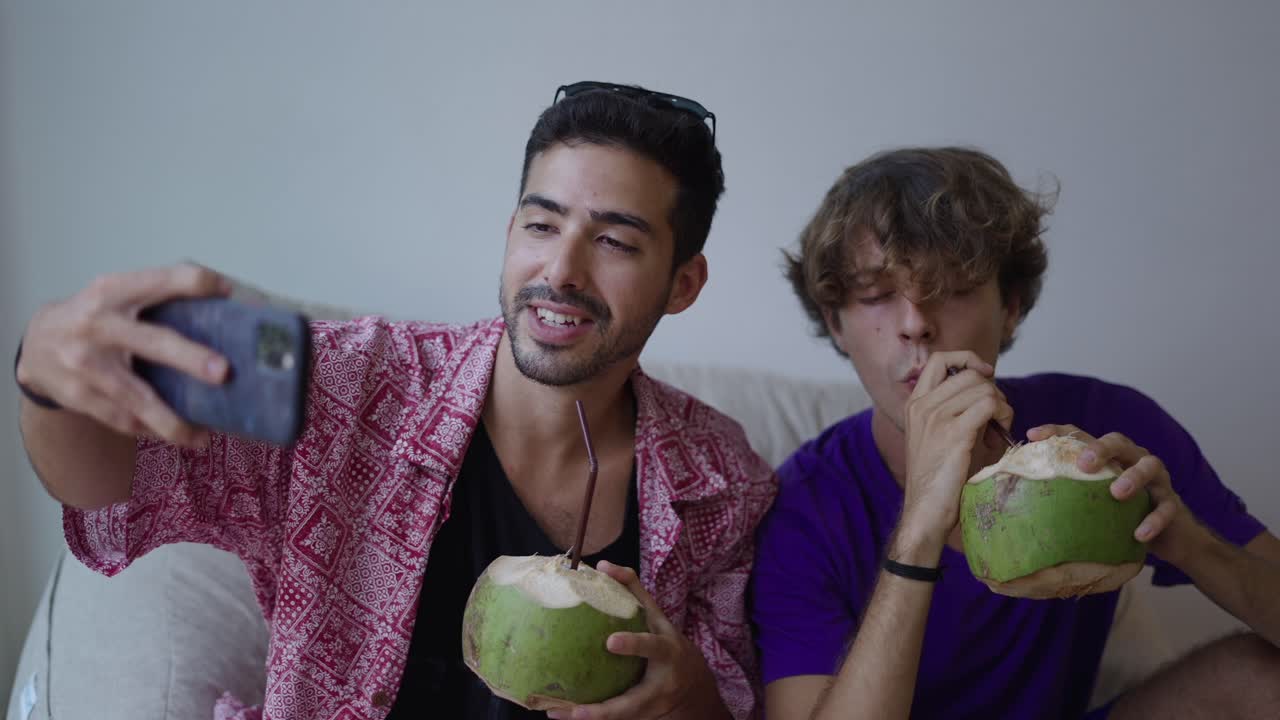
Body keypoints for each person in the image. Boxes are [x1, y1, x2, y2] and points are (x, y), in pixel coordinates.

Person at [15, 81, 776, 720]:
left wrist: (692, 700)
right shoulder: (349, 387)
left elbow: (729, 702)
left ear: (683, 283)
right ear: (511, 231)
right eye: (542, 225)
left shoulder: (720, 480)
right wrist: (47, 380)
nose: (562, 270)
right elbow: (111, 484)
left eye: (615, 242)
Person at [750, 146, 1280, 719]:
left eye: (953, 288)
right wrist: (920, 528)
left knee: (1258, 676)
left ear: (1011, 307)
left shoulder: (1105, 426)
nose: (916, 323)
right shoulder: (803, 505)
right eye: (877, 296)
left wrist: (1192, 545)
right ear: (836, 322)